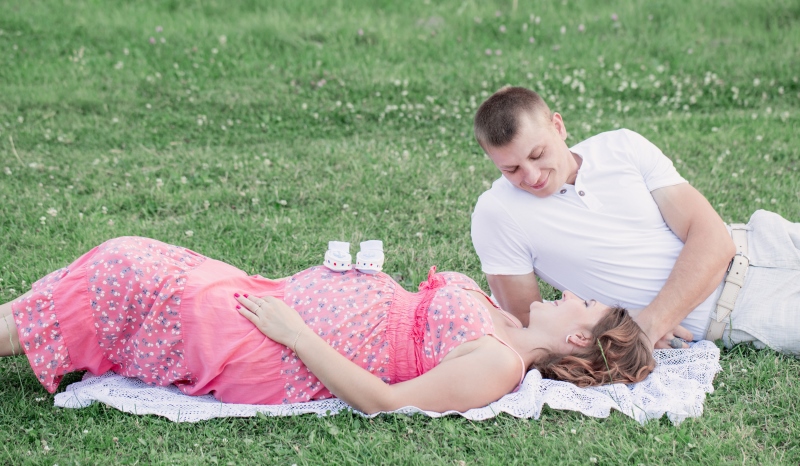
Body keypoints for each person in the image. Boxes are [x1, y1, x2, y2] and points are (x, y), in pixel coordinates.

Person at [0, 237, 654, 414]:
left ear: (577, 337)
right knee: (125, 263)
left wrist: (295, 333)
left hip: (273, 348)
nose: (570, 294)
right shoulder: (508, 322)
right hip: (269, 301)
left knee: (125, 271)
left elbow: (386, 402)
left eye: (583, 304)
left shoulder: (498, 365)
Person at [471, 86, 736, 350]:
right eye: (511, 169)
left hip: (757, 243)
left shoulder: (622, 146)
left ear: (558, 126)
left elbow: (714, 238)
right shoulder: (497, 212)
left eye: (537, 155)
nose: (532, 176)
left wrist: (648, 326)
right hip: (735, 313)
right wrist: (619, 329)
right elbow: (529, 328)